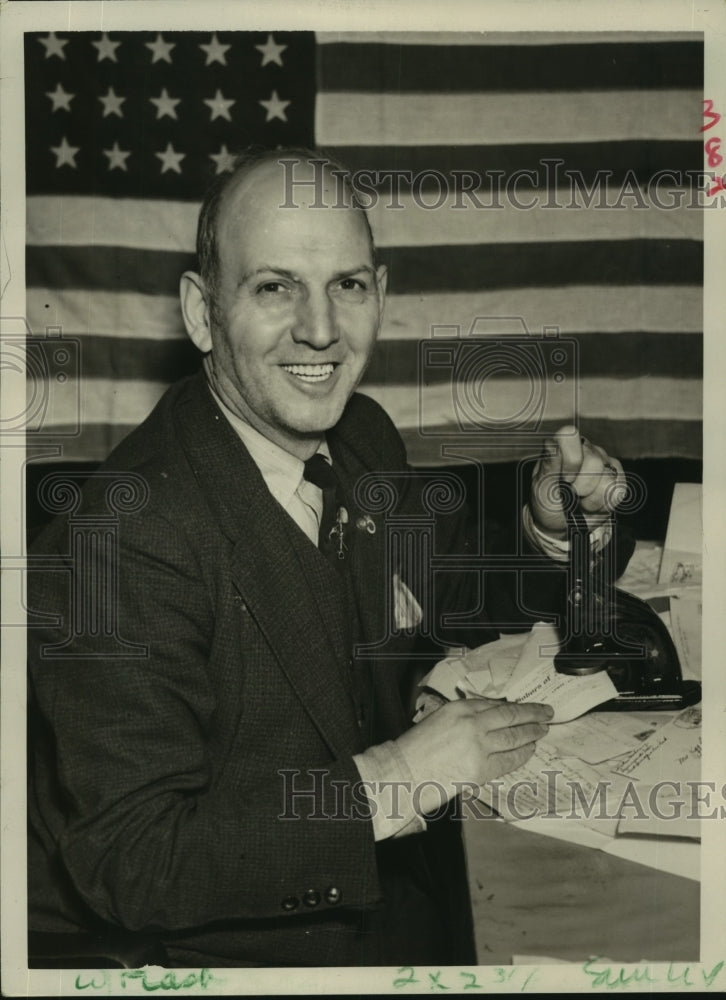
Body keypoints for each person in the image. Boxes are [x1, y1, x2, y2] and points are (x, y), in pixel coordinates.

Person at [27, 148, 633, 968]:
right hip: (224, 955)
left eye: (346, 285)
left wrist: (549, 529)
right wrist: (396, 777)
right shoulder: (124, 536)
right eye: (274, 287)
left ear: (380, 294)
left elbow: (445, 596)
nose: (320, 329)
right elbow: (136, 860)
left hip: (408, 890)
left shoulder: (360, 435)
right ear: (203, 313)